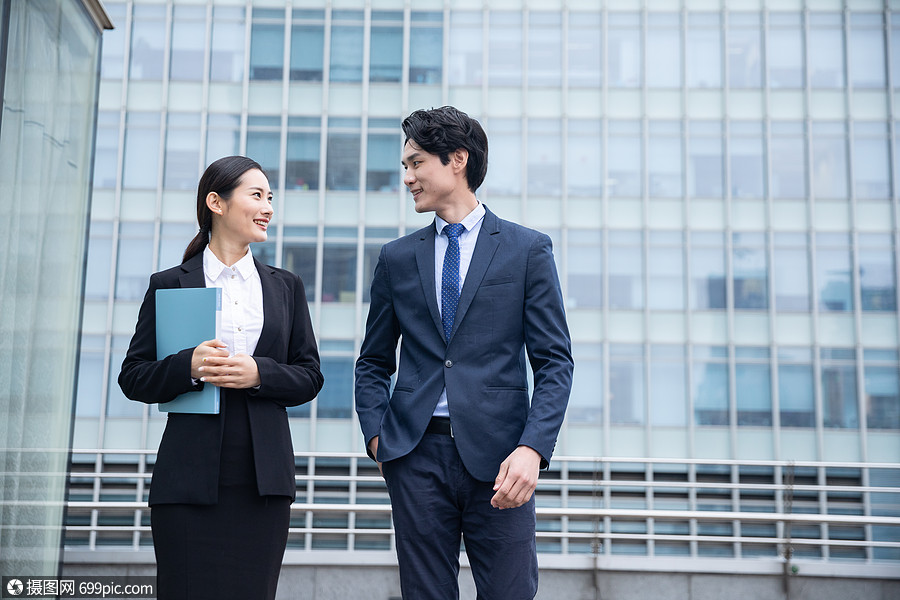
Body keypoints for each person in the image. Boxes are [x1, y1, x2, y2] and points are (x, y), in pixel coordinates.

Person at [355, 106, 574, 599]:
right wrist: (377, 438)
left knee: (510, 592)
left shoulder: (526, 250)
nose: (407, 177)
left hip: (503, 458)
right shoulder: (396, 258)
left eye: (416, 164)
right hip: (415, 454)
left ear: (457, 160)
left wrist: (533, 449)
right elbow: (372, 362)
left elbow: (554, 362)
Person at [118, 156, 324, 600]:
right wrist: (187, 366)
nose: (268, 206)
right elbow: (133, 377)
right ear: (217, 202)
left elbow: (309, 377)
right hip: (187, 479)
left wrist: (258, 374)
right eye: (256, 195)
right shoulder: (170, 283)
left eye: (270, 197)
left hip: (263, 480)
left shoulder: (286, 286)